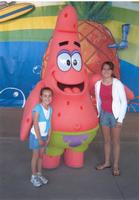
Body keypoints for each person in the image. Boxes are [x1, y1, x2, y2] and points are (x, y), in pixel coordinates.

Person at [95, 61, 127, 176]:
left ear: (112, 71)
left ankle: (116, 166)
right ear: (101, 70)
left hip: (115, 115)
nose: (106, 71)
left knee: (115, 141)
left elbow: (124, 102)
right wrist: (99, 114)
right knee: (106, 141)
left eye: (109, 69)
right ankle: (107, 162)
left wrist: (120, 119)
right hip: (104, 114)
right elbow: (98, 101)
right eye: (104, 69)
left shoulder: (117, 83)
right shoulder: (98, 84)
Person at [29, 87, 53, 187]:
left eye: (49, 96)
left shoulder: (51, 109)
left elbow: (50, 123)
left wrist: (48, 137)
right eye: (45, 96)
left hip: (44, 136)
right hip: (36, 136)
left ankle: (39, 174)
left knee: (41, 156)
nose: (47, 98)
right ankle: (33, 176)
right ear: (41, 97)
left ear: (52, 97)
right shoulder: (38, 108)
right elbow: (35, 124)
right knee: (35, 156)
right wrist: (39, 139)